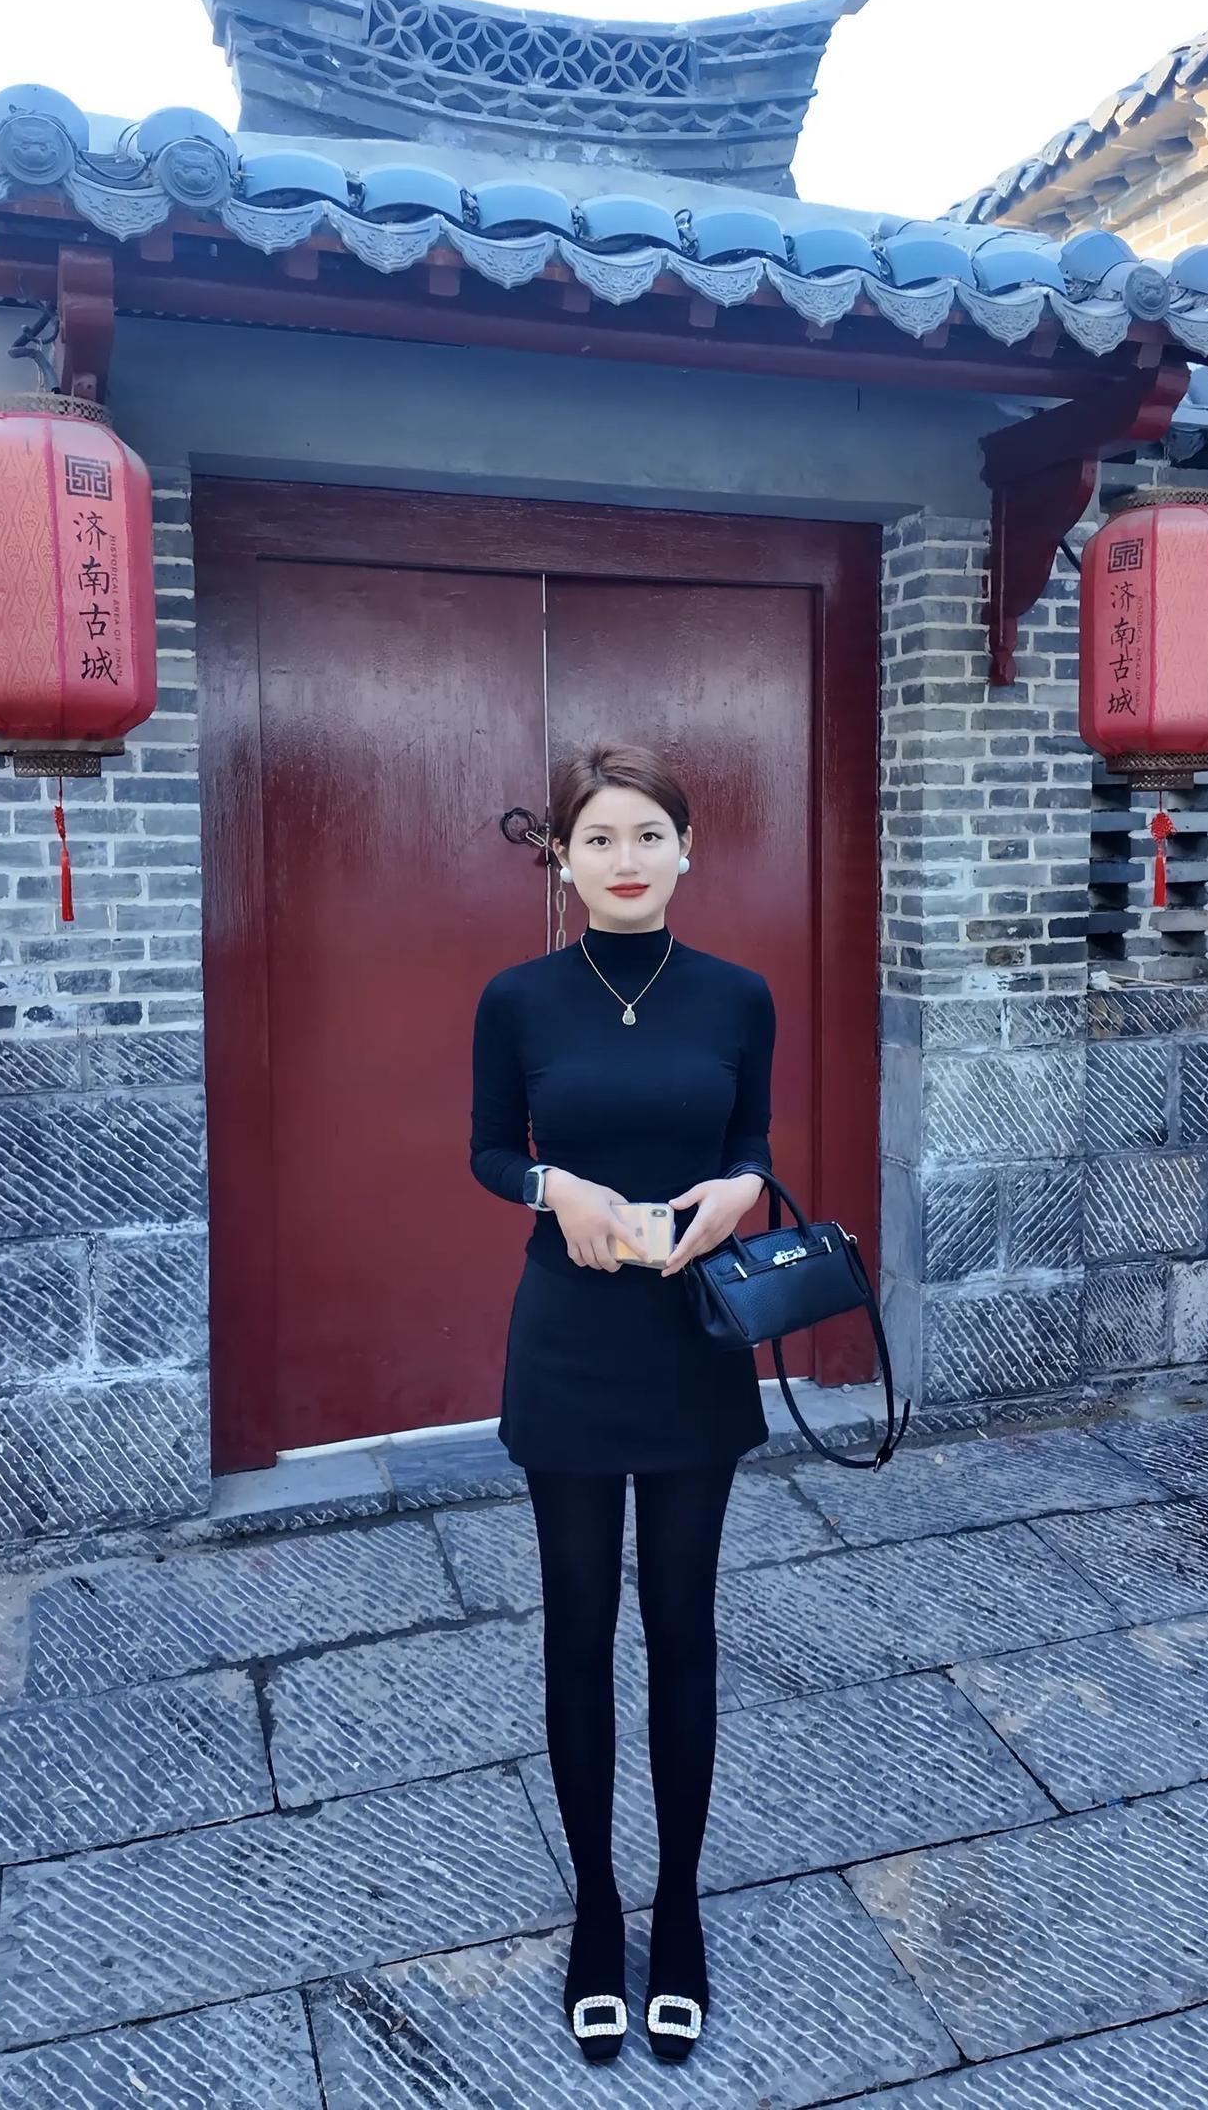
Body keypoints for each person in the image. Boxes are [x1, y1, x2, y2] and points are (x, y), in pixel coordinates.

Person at [469, 741, 776, 2064]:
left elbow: (749, 1142)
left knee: (684, 1630)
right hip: (572, 1342)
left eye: (651, 834)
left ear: (687, 851)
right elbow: (490, 1151)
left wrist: (745, 1188)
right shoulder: (519, 999)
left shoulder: (738, 996)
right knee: (579, 1631)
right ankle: (598, 1909)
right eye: (600, 838)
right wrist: (559, 1189)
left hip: (694, 1341)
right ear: (563, 859)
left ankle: (680, 1907)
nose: (628, 859)